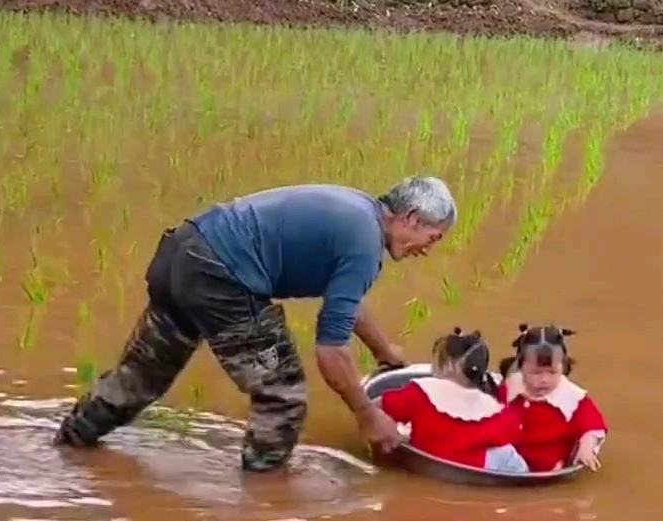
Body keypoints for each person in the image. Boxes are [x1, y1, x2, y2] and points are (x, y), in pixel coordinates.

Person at [53, 177, 458, 472]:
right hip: (220, 276)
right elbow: (331, 351)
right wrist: (368, 414)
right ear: (410, 217)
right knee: (282, 394)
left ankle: (68, 446)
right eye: (434, 237)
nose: (429, 249)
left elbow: (347, 304)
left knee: (141, 376)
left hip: (184, 252)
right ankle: (263, 497)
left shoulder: (358, 213)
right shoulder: (364, 243)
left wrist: (384, 353)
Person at [378, 328, 528, 473]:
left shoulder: (421, 392)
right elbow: (516, 433)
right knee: (507, 454)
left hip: (426, 466)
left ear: (450, 365)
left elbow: (377, 407)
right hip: (476, 475)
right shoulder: (498, 412)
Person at [498, 325, 608, 472]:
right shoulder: (510, 387)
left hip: (551, 465)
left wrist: (586, 447)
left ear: (563, 367)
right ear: (520, 366)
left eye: (552, 372)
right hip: (510, 461)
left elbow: (594, 426)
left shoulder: (572, 397)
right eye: (535, 373)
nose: (544, 379)